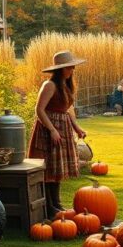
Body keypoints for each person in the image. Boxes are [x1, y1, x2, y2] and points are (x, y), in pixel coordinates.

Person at [27, 50, 88, 216]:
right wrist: (52, 130)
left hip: (63, 128)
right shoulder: (49, 85)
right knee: (48, 169)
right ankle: (49, 205)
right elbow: (39, 110)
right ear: (61, 69)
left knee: (57, 168)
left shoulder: (65, 86)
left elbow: (68, 109)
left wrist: (76, 128)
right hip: (49, 131)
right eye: (69, 67)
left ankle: (57, 202)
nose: (72, 70)